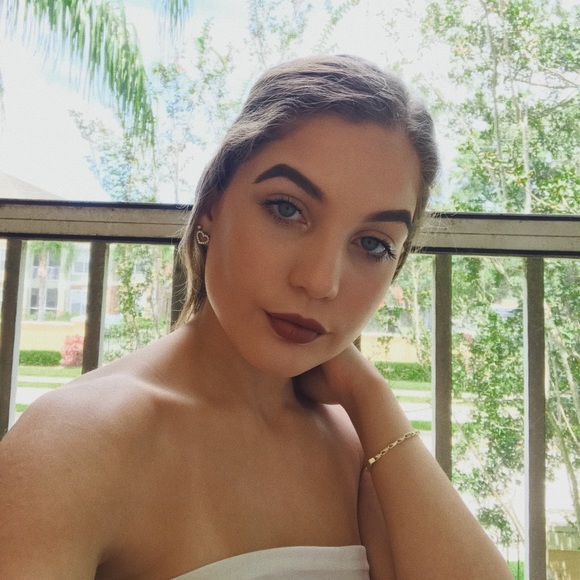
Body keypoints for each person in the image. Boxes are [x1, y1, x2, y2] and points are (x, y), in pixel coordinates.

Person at [0, 55, 512, 579]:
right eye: (287, 209)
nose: (321, 281)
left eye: (373, 244)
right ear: (211, 205)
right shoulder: (77, 443)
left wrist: (370, 397)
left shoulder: (362, 449)